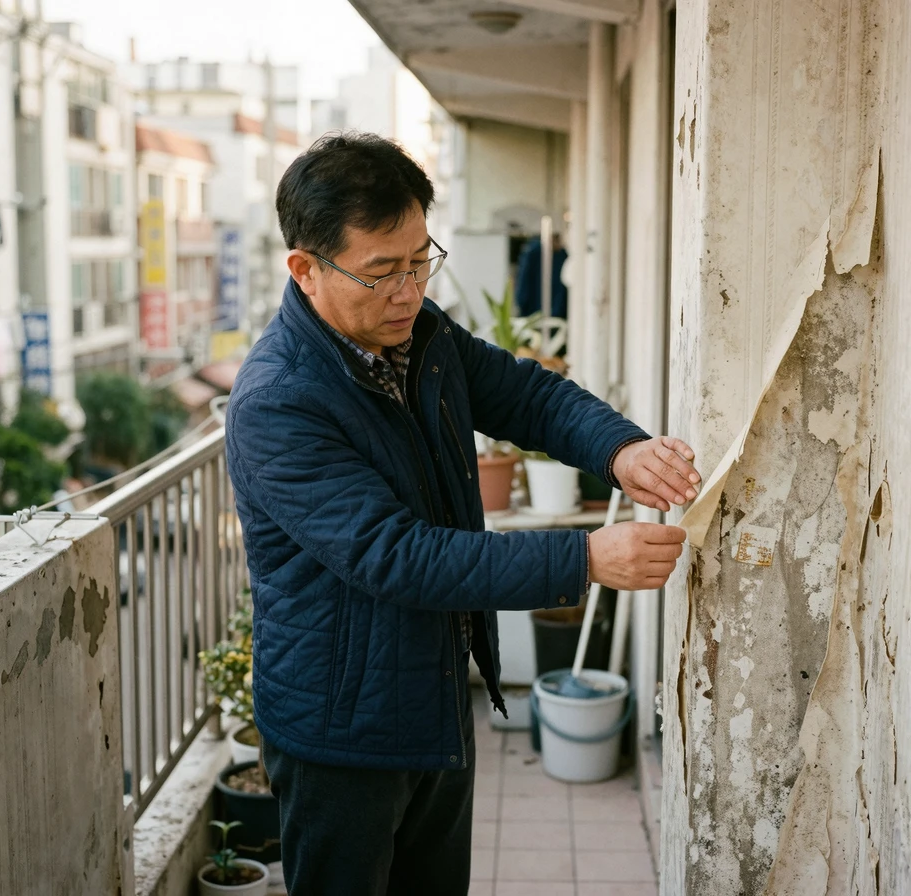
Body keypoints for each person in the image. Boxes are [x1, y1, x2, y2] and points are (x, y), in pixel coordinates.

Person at [226, 132, 700, 896]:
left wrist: (621, 451)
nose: (407, 291)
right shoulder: (279, 401)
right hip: (339, 736)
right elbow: (396, 555)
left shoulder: (422, 335)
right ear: (305, 270)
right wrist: (582, 559)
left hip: (431, 703)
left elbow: (526, 393)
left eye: (420, 261)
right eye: (381, 272)